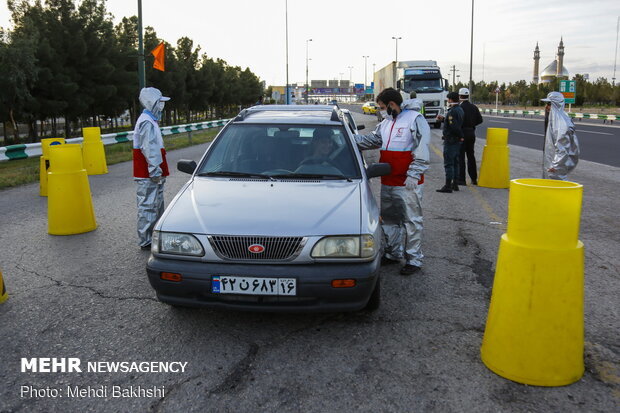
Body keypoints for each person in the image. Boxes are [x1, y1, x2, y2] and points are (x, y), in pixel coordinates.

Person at [354, 88, 430, 275]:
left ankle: (414, 259)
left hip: (408, 182)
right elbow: (372, 140)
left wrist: (414, 174)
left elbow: (422, 149)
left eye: (382, 107)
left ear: (392, 104)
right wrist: (347, 138)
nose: (380, 110)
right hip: (389, 181)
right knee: (389, 220)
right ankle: (393, 253)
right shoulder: (386, 123)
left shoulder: (415, 119)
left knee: (411, 221)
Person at [133, 87, 171, 250]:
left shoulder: (150, 120)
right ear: (152, 103)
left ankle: (154, 236)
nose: (162, 106)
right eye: (160, 102)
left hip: (152, 171)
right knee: (148, 206)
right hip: (148, 173)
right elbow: (150, 149)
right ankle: (147, 240)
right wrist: (155, 171)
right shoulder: (146, 122)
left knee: (155, 204)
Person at [541, 91, 579, 180]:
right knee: (549, 186)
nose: (546, 107)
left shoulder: (560, 123)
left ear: (556, 104)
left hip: (555, 165)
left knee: (556, 185)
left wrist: (555, 166)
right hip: (551, 160)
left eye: (549, 104)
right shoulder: (554, 120)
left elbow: (563, 148)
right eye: (547, 103)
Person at [436, 92, 464, 193]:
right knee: (456, 163)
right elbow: (455, 123)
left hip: (451, 140)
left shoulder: (452, 111)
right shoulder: (460, 109)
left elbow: (454, 127)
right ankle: (455, 184)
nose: (448, 101)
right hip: (456, 141)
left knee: (448, 163)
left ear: (451, 100)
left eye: (448, 100)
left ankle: (448, 185)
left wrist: (461, 136)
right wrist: (444, 119)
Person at [457, 88, 483, 185]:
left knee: (461, 157)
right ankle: (473, 179)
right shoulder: (474, 107)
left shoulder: (459, 108)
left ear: (460, 96)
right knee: (471, 156)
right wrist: (472, 125)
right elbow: (480, 120)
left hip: (462, 133)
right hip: (471, 133)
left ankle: (461, 179)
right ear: (468, 96)